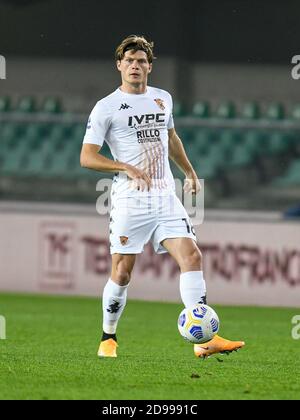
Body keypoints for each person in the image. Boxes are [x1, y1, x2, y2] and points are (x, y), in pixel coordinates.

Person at [80, 35, 245, 358]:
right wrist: (124, 166)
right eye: (129, 61)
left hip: (165, 197)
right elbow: (87, 157)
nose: (135, 66)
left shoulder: (162, 99)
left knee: (192, 256)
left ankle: (204, 339)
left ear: (150, 67)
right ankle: (108, 338)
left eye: (141, 61)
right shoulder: (107, 107)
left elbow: (170, 137)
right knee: (122, 271)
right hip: (131, 199)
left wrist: (190, 171)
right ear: (119, 66)